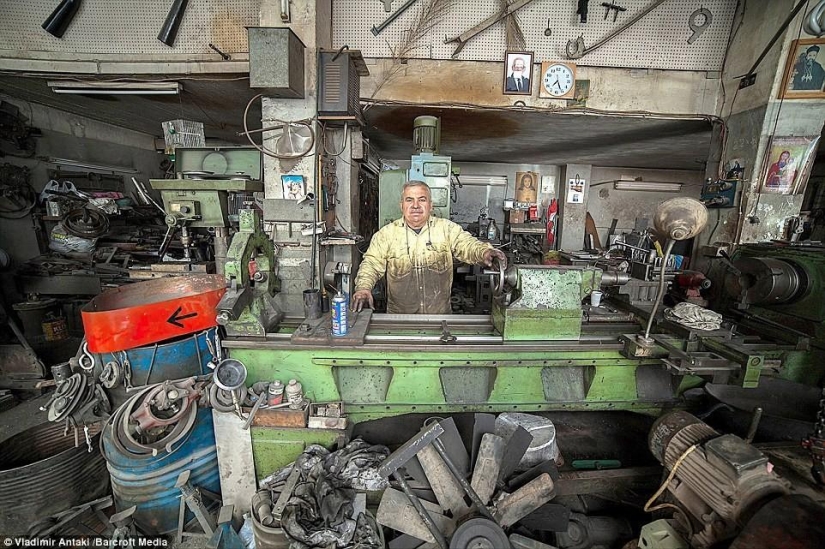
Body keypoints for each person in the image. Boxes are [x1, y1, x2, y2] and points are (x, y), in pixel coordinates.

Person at [352, 181, 507, 314]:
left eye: (422, 200)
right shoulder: (386, 235)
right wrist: (363, 287)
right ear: (401, 206)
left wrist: (484, 252)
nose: (415, 206)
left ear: (431, 205)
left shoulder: (446, 229)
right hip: (400, 319)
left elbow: (467, 244)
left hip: (439, 317)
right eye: (409, 200)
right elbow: (371, 265)